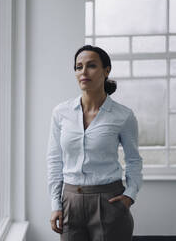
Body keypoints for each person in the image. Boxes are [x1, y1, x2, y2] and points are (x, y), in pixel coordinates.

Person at [46, 45, 143, 241]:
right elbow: (55, 160)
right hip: (70, 201)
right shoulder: (61, 113)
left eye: (91, 66)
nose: (83, 72)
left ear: (106, 71)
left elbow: (134, 160)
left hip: (109, 200)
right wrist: (56, 204)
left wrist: (130, 195)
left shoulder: (123, 116)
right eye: (78, 67)